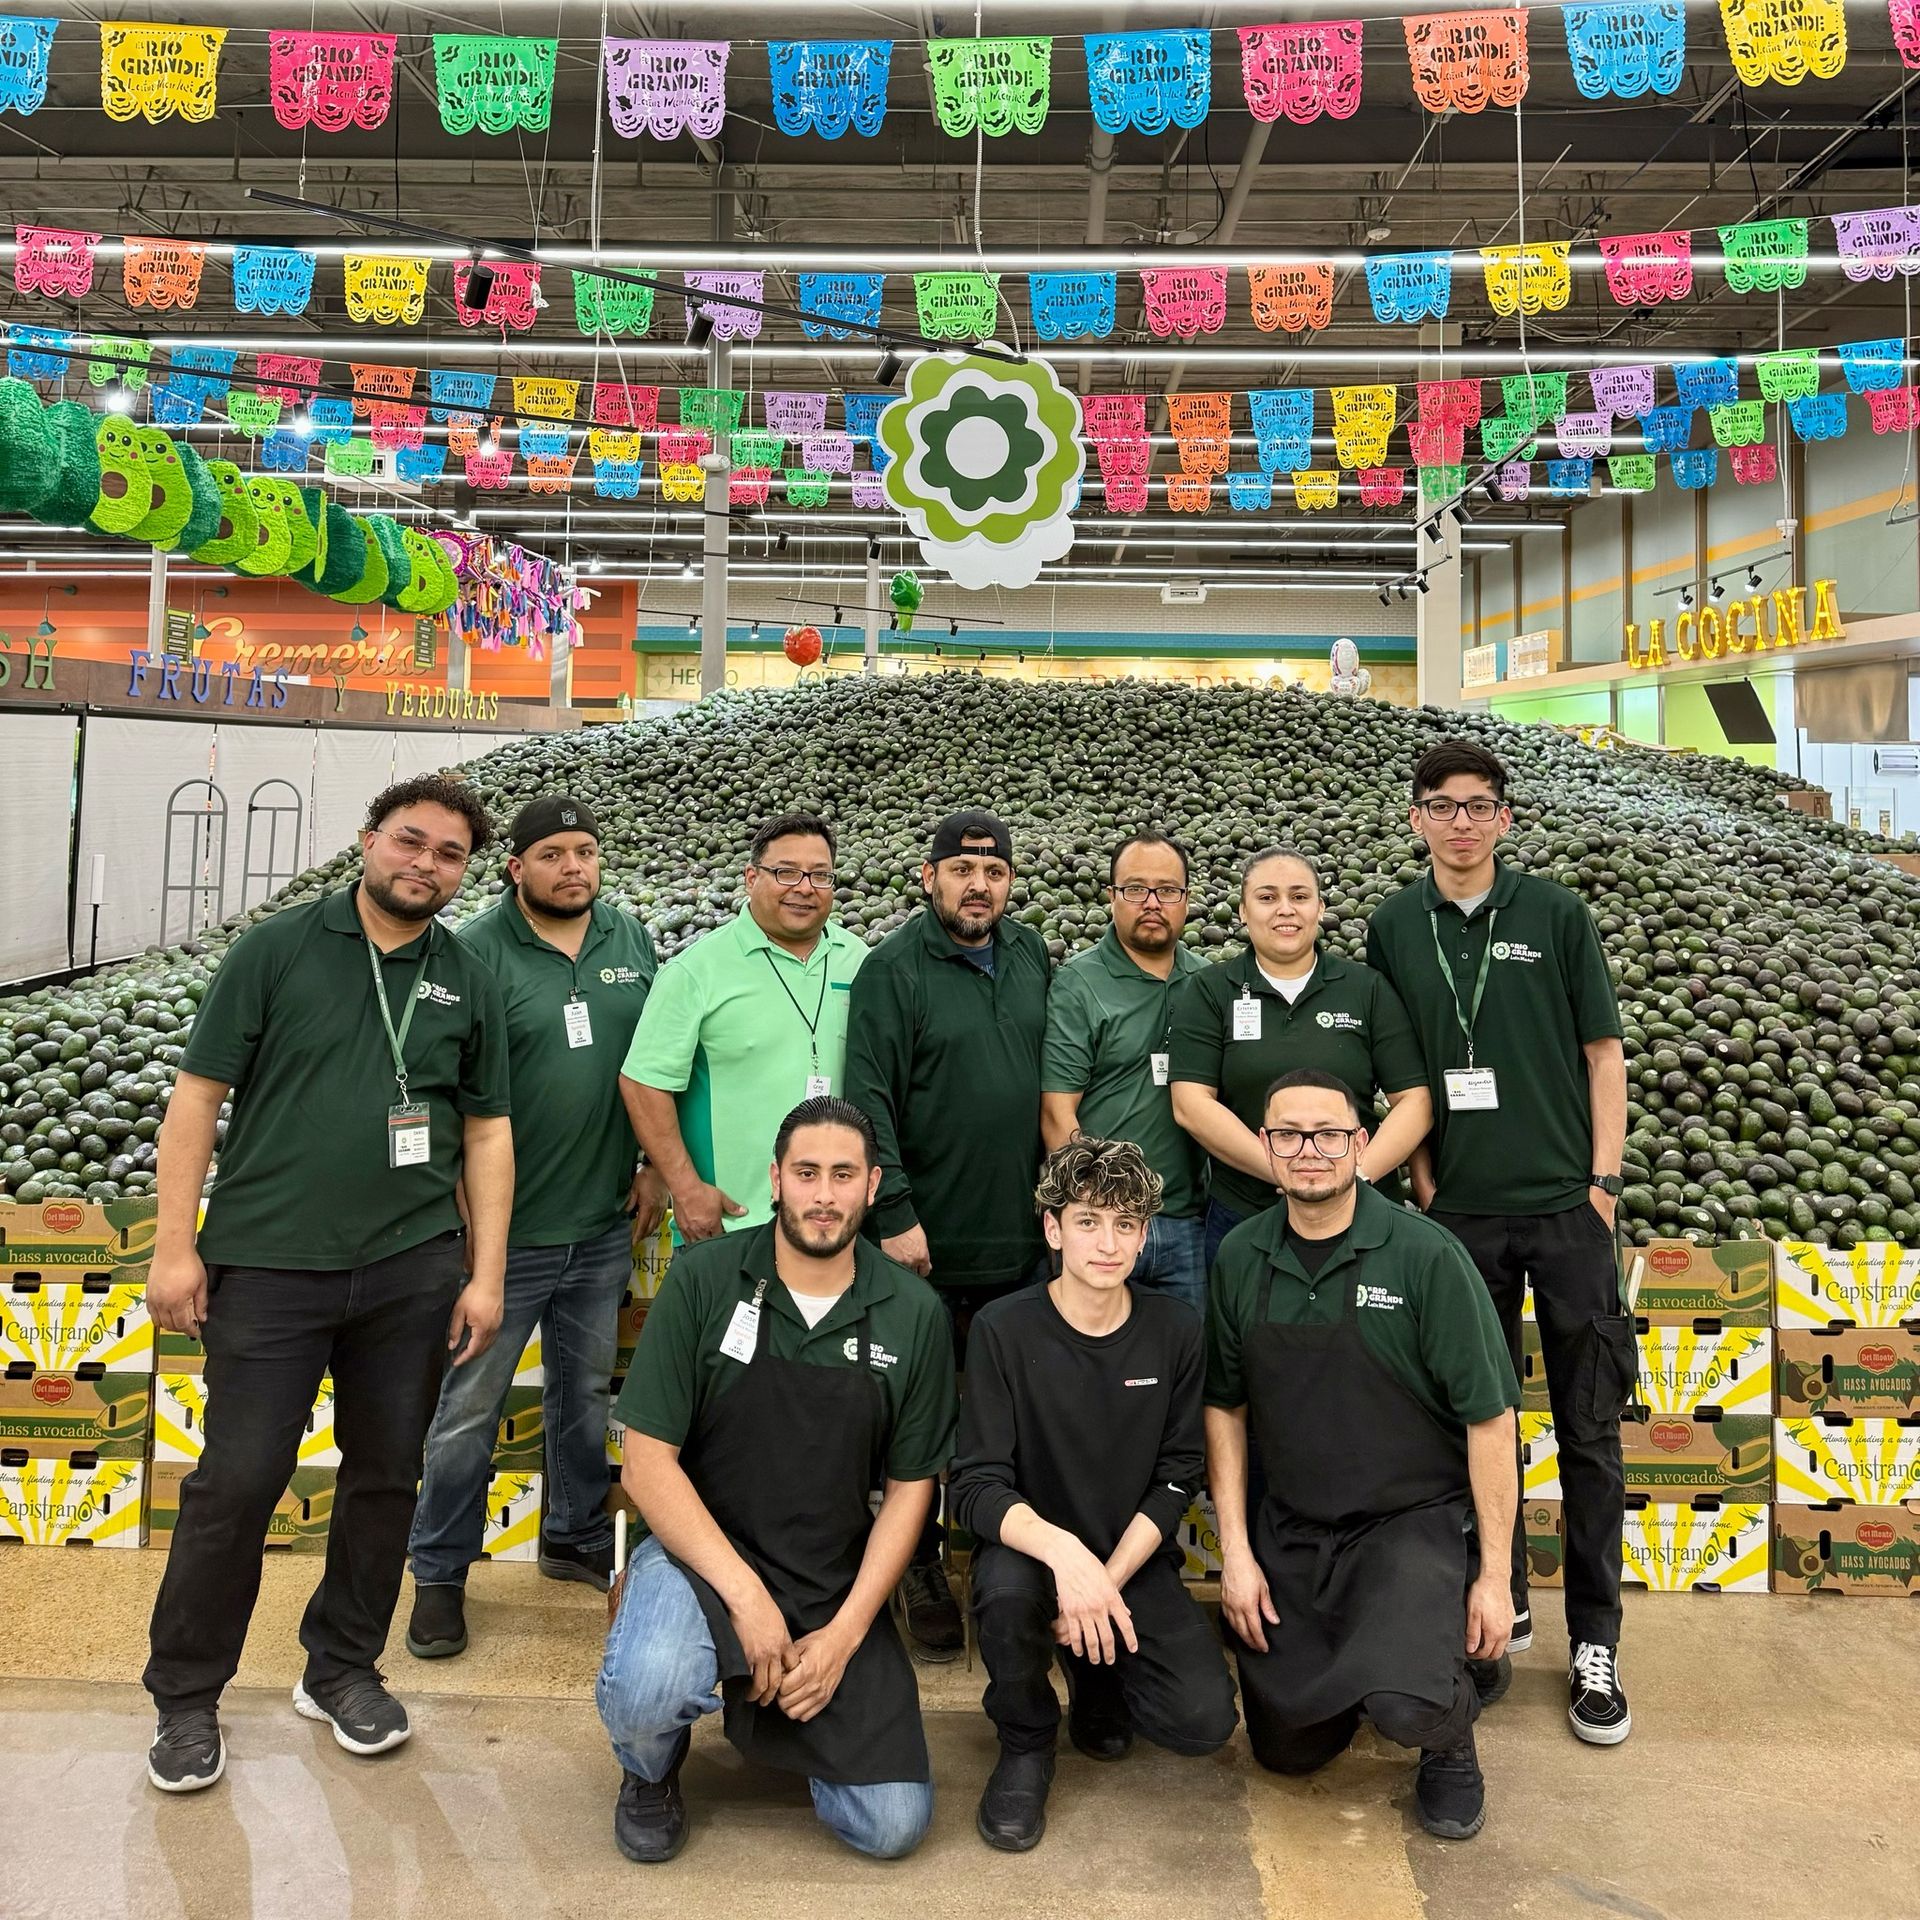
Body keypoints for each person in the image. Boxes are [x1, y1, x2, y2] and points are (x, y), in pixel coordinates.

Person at [141, 775, 513, 1793]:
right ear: (369, 839)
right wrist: (175, 1247)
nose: (426, 864)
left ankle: (343, 1667)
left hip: (411, 1270)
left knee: (386, 1477)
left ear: (465, 872)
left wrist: (484, 1274)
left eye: (449, 854)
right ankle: (186, 1697)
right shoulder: (276, 950)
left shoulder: (466, 975)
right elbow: (195, 1100)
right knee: (237, 1482)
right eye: (410, 841)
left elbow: (487, 1132)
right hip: (269, 1265)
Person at [595, 1097, 957, 1865]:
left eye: (843, 1175)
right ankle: (651, 1766)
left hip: (830, 1574)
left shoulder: (914, 1312)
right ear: (776, 1180)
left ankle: (790, 1715)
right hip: (701, 1559)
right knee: (649, 1687)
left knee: (893, 1825)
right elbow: (646, 1461)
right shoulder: (704, 1279)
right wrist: (747, 1600)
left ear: (872, 1186)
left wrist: (844, 1637)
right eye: (806, 1173)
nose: (823, 1195)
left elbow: (911, 1491)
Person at [1364, 739, 1634, 1746]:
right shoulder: (1395, 926)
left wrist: (1603, 1185)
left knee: (1590, 1430)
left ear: (1505, 818)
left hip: (1568, 1213)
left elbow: (1603, 1053)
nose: (1462, 823)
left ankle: (1596, 1640)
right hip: (1462, 1221)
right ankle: (1503, 1599)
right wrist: (1427, 1185)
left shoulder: (1557, 915)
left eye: (1479, 806)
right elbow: (1399, 1074)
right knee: (1479, 1418)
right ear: (1416, 818)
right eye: (1443, 805)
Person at [1205, 1069, 1520, 1842]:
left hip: (1405, 1527)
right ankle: (1389, 1662)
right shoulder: (1240, 1256)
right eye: (1288, 1134)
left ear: (1361, 1142)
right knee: (1286, 1752)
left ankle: (1449, 1726)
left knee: (1406, 1710)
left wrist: (1494, 1577)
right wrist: (1235, 1553)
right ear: (1266, 1145)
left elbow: (1490, 1420)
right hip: (1294, 1530)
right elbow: (1225, 1408)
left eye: (1328, 1133)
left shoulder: (1424, 1255)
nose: (1309, 1150)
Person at [406, 796, 662, 1658]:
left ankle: (574, 1534)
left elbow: (657, 1064)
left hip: (601, 1224)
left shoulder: (630, 940)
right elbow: (438, 1087)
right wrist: (461, 1210)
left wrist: (653, 1163)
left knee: (582, 1394)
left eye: (585, 850)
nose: (573, 867)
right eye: (552, 854)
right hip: (502, 1239)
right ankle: (439, 1572)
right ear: (516, 868)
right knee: (467, 1410)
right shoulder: (472, 951)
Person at [952, 1134, 1236, 1852]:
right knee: (1007, 1596)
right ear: (1053, 1230)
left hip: (1129, 1557)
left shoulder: (1175, 1329)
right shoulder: (1001, 1329)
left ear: (1143, 1236)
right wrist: (1068, 1560)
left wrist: (1101, 1583)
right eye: (1087, 1221)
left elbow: (1178, 1474)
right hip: (1029, 1553)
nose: (1107, 1243)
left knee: (1202, 1721)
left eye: (1124, 1224)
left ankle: (1095, 1674)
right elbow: (976, 1487)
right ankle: (1025, 1743)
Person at [844, 809, 1050, 1657]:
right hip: (922, 1247)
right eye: (962, 871)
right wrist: (894, 1214)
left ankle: (1005, 1561)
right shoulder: (892, 970)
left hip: (1019, 1243)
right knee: (914, 1418)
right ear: (929, 878)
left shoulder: (1032, 954)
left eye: (993, 872)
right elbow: (868, 1100)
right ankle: (918, 1565)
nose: (978, 886)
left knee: (1005, 1417)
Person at [1170, 847, 1432, 1267]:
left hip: (1361, 1213)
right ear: (1242, 911)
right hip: (1246, 1214)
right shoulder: (1209, 990)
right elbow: (1190, 1104)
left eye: (1299, 896)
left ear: (1320, 908)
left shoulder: (1367, 988)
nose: (1285, 909)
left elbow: (1415, 1102)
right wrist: (1286, 1170)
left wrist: (1351, 1176)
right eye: (1267, 897)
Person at [621, 813, 866, 1241]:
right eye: (786, 872)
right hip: (734, 1225)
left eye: (820, 875)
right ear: (751, 878)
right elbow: (643, 1084)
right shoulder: (695, 971)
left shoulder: (860, 960)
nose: (804, 888)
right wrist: (686, 1188)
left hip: (836, 1225)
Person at [1041, 833, 1211, 1316]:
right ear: (1111, 896)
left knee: (1186, 1353)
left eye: (1167, 890)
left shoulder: (1207, 983)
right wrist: (1101, 1213)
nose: (1152, 903)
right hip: (1104, 1223)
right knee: (1090, 1354)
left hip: (1185, 1222)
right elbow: (1056, 1114)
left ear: (1187, 899)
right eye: (1135, 889)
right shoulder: (1078, 984)